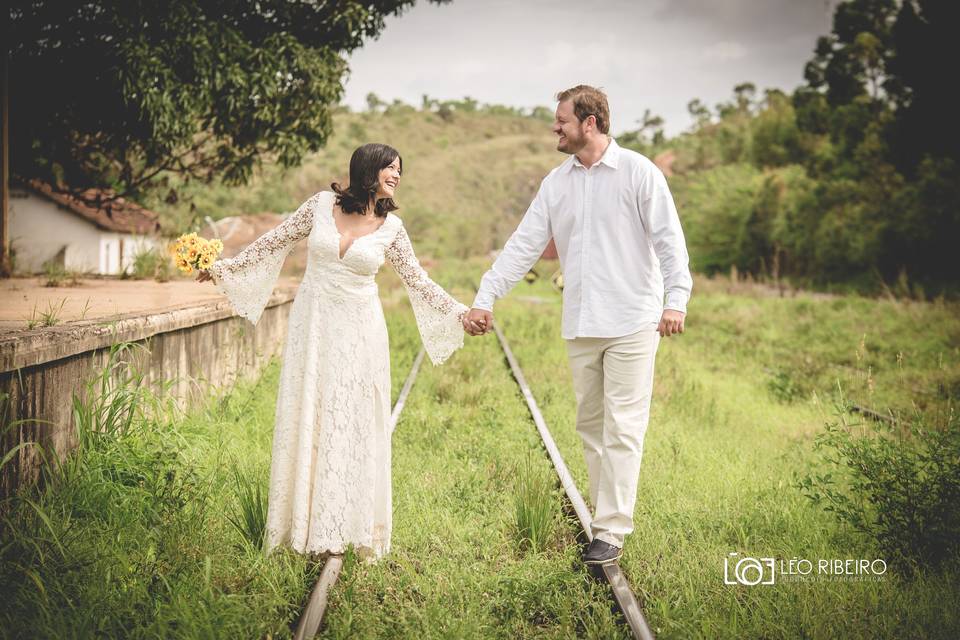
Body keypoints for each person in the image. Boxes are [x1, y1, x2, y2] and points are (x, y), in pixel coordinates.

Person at [197, 143, 469, 561]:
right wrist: (222, 267)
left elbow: (418, 280)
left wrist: (460, 314)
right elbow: (274, 242)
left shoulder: (392, 228)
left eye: (400, 170)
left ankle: (352, 526)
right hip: (315, 324)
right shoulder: (320, 206)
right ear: (368, 170)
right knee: (311, 413)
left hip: (361, 332)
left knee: (352, 419)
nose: (396, 176)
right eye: (389, 168)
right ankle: (302, 526)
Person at [463, 85, 693, 566]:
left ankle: (610, 531)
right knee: (590, 424)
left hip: (633, 319)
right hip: (582, 320)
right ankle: (602, 516)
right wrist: (486, 295)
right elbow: (524, 243)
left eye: (562, 120)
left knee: (623, 427)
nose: (556, 128)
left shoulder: (638, 172)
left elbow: (670, 240)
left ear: (590, 122)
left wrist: (677, 300)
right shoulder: (557, 182)